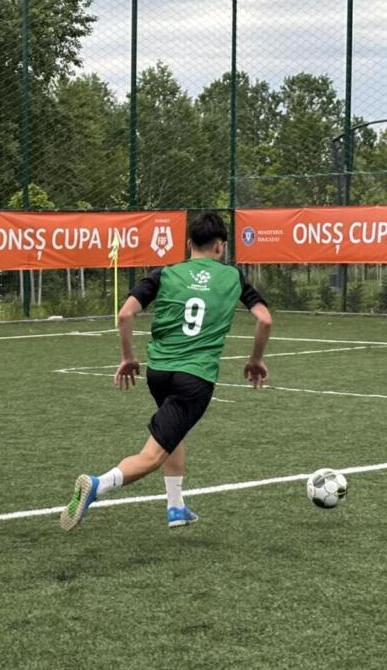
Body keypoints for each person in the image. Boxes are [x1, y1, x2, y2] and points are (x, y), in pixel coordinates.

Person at [60, 211, 271, 531]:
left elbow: (125, 314)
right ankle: (98, 484)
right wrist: (255, 360)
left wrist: (128, 357)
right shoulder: (233, 276)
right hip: (195, 377)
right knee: (152, 455)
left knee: (174, 433)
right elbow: (264, 319)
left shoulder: (166, 273)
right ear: (221, 246)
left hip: (158, 372)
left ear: (189, 243)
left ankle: (176, 507)